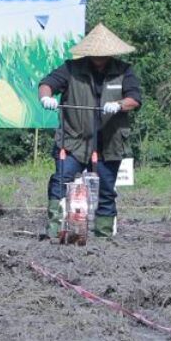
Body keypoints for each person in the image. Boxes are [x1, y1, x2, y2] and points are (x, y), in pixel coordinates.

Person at [38, 23, 141, 239]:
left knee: (106, 190)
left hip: (109, 142)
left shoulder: (124, 71)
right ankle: (54, 229)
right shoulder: (71, 69)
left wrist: (119, 105)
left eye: (103, 54)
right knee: (60, 181)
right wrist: (46, 97)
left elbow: (134, 98)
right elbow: (47, 83)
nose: (99, 58)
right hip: (73, 140)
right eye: (95, 53)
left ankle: (103, 236)